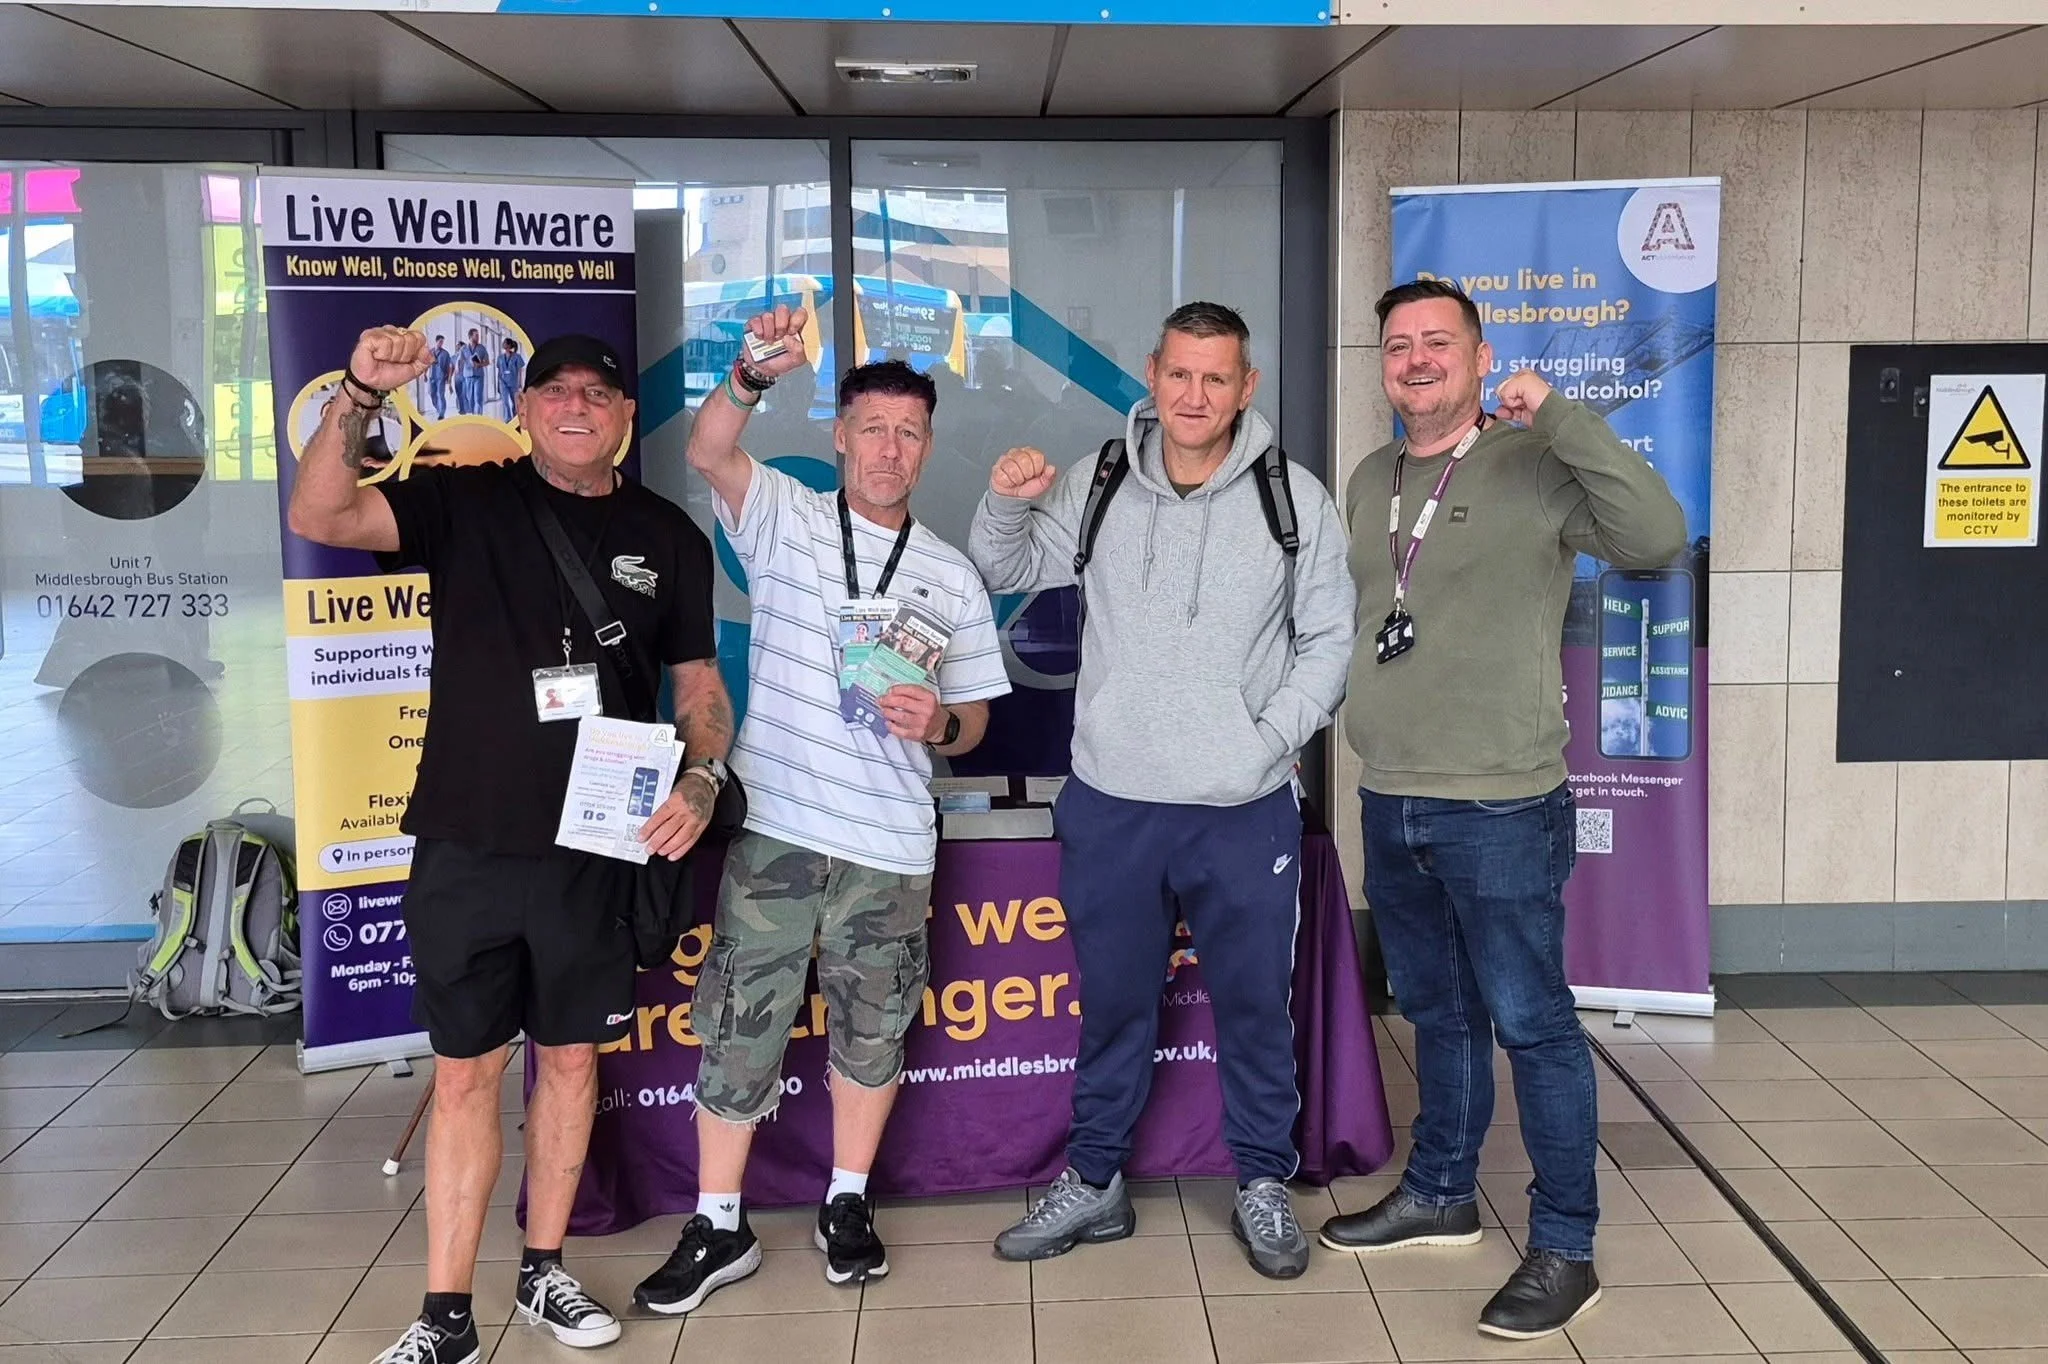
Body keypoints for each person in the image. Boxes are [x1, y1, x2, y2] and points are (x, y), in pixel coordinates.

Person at [287, 326, 735, 1364]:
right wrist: (357, 393)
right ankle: (446, 1312)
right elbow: (321, 510)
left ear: (626, 416)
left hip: (598, 847)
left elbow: (698, 688)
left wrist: (705, 777)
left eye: (599, 393)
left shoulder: (668, 534)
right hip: (469, 837)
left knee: (572, 1061)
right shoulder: (465, 499)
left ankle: (544, 1268)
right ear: (526, 408)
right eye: (556, 391)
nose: (577, 406)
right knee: (463, 1073)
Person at [1316, 279, 1686, 1340]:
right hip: (1390, 793)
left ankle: (1564, 1244)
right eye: (1397, 344)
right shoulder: (1370, 473)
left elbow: (1654, 536)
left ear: (1481, 358)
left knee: (1531, 1023)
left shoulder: (1533, 461)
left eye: (1439, 342)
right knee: (1435, 1013)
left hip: (1500, 804)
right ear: (1380, 365)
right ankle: (1438, 1191)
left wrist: (1563, 417)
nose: (1416, 358)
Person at [631, 305, 1010, 1313]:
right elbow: (709, 446)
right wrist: (751, 375)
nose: (889, 448)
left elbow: (974, 723)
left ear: (928, 446)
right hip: (780, 832)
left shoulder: (950, 573)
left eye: (908, 432)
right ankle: (719, 1220)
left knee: (872, 1033)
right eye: (871, 428)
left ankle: (848, 1199)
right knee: (738, 1025)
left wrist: (936, 723)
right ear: (840, 435)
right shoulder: (787, 517)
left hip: (890, 843)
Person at [967, 301, 1356, 1280]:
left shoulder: (1292, 500)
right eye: (1178, 374)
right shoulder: (1102, 482)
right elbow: (999, 566)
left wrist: (1266, 738)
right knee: (1112, 1003)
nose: (1193, 394)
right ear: (1151, 371)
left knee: (1253, 1006)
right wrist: (1006, 499)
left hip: (1241, 806)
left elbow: (1329, 639)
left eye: (1214, 377)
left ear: (1245, 385)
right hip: (1112, 802)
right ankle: (1094, 1178)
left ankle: (1262, 1179)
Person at [455, 328, 490, 415]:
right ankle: (474, 415)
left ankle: (479, 418)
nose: (478, 337)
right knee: (470, 398)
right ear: (470, 336)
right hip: (468, 376)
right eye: (476, 335)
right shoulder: (464, 349)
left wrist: (480, 364)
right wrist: (457, 367)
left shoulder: (481, 348)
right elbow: (459, 359)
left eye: (478, 335)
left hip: (479, 376)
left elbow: (487, 361)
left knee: (478, 398)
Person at [426, 335, 454, 420]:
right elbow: (426, 364)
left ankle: (442, 413)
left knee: (441, 395)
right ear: (436, 341)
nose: (442, 343)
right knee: (432, 394)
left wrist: (449, 379)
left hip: (441, 377)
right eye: (440, 341)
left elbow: (450, 367)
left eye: (442, 342)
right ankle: (438, 409)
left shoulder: (445, 354)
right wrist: (424, 374)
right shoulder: (430, 352)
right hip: (432, 377)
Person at [498, 338, 526, 421]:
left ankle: (515, 419)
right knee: (505, 402)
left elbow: (520, 371)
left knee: (515, 402)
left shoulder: (517, 357)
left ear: (509, 345)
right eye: (503, 343)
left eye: (505, 343)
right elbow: (499, 371)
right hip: (503, 382)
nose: (503, 344)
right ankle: (507, 420)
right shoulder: (500, 357)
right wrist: (498, 385)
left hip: (513, 382)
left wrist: (520, 383)